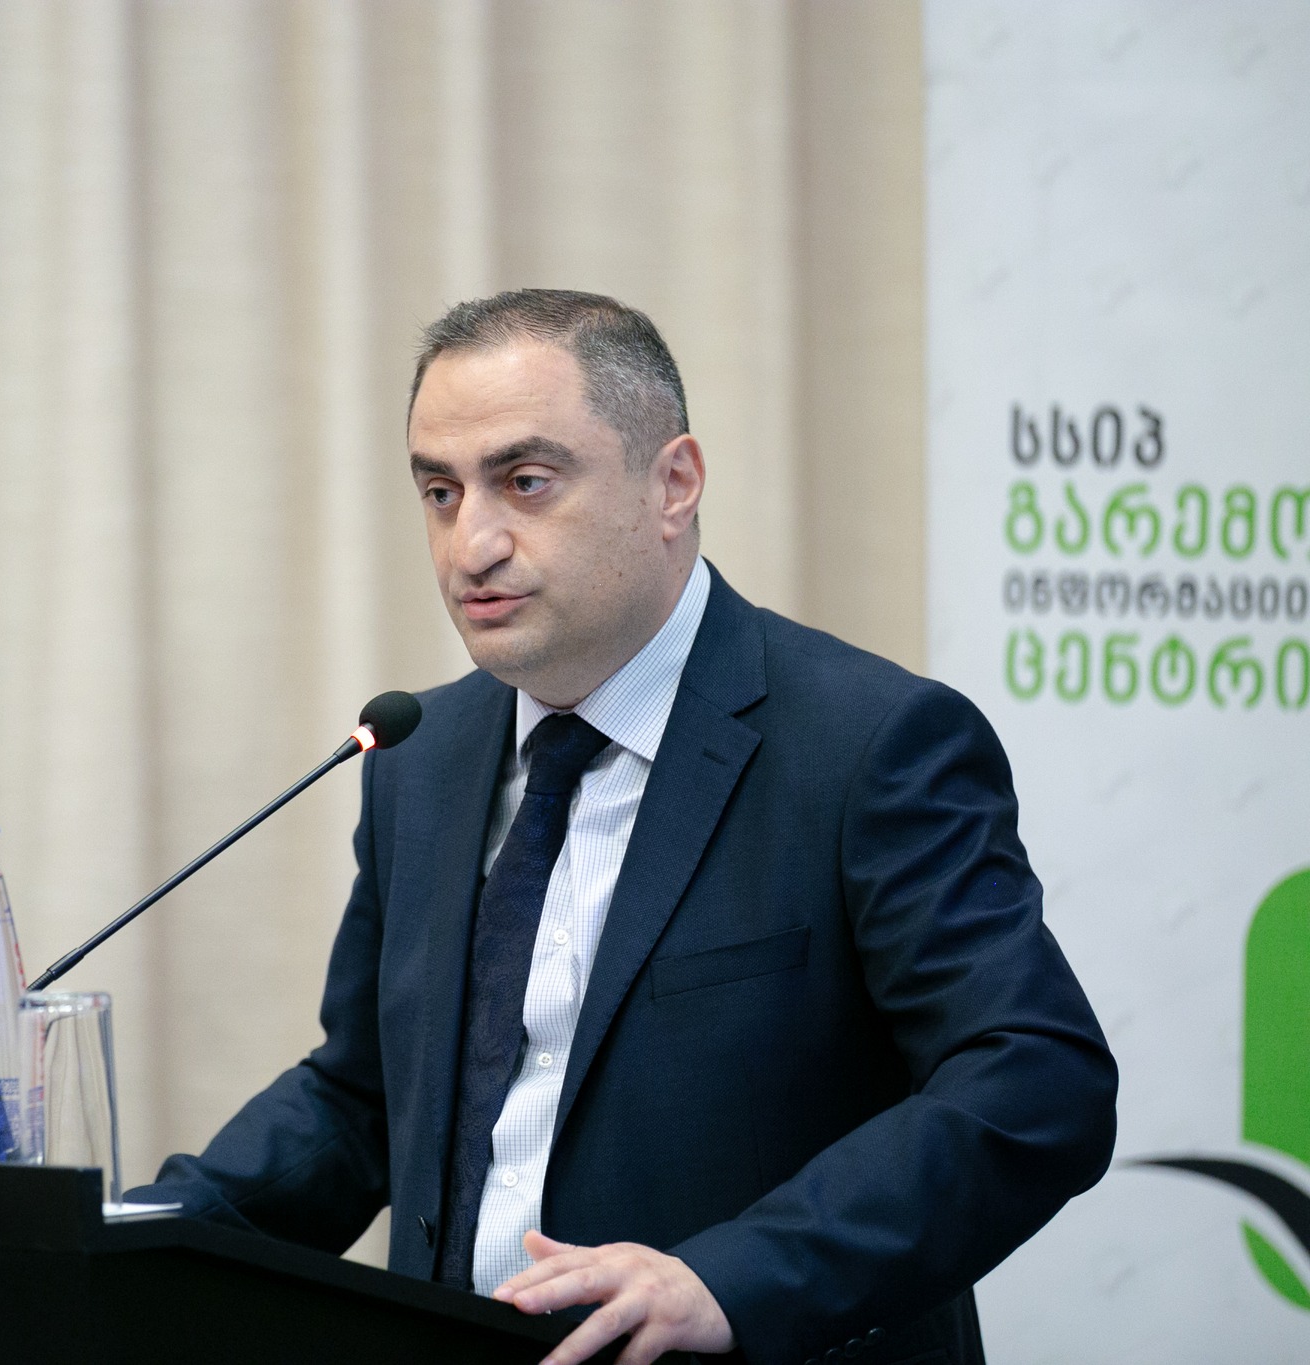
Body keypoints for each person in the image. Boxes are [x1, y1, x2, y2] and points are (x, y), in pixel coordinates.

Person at [129, 290, 1117, 1365]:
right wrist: (124, 1238)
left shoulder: (866, 745)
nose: (471, 544)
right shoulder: (420, 757)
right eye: (439, 492)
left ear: (672, 485)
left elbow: (1034, 1079)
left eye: (525, 481)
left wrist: (730, 1279)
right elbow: (365, 1099)